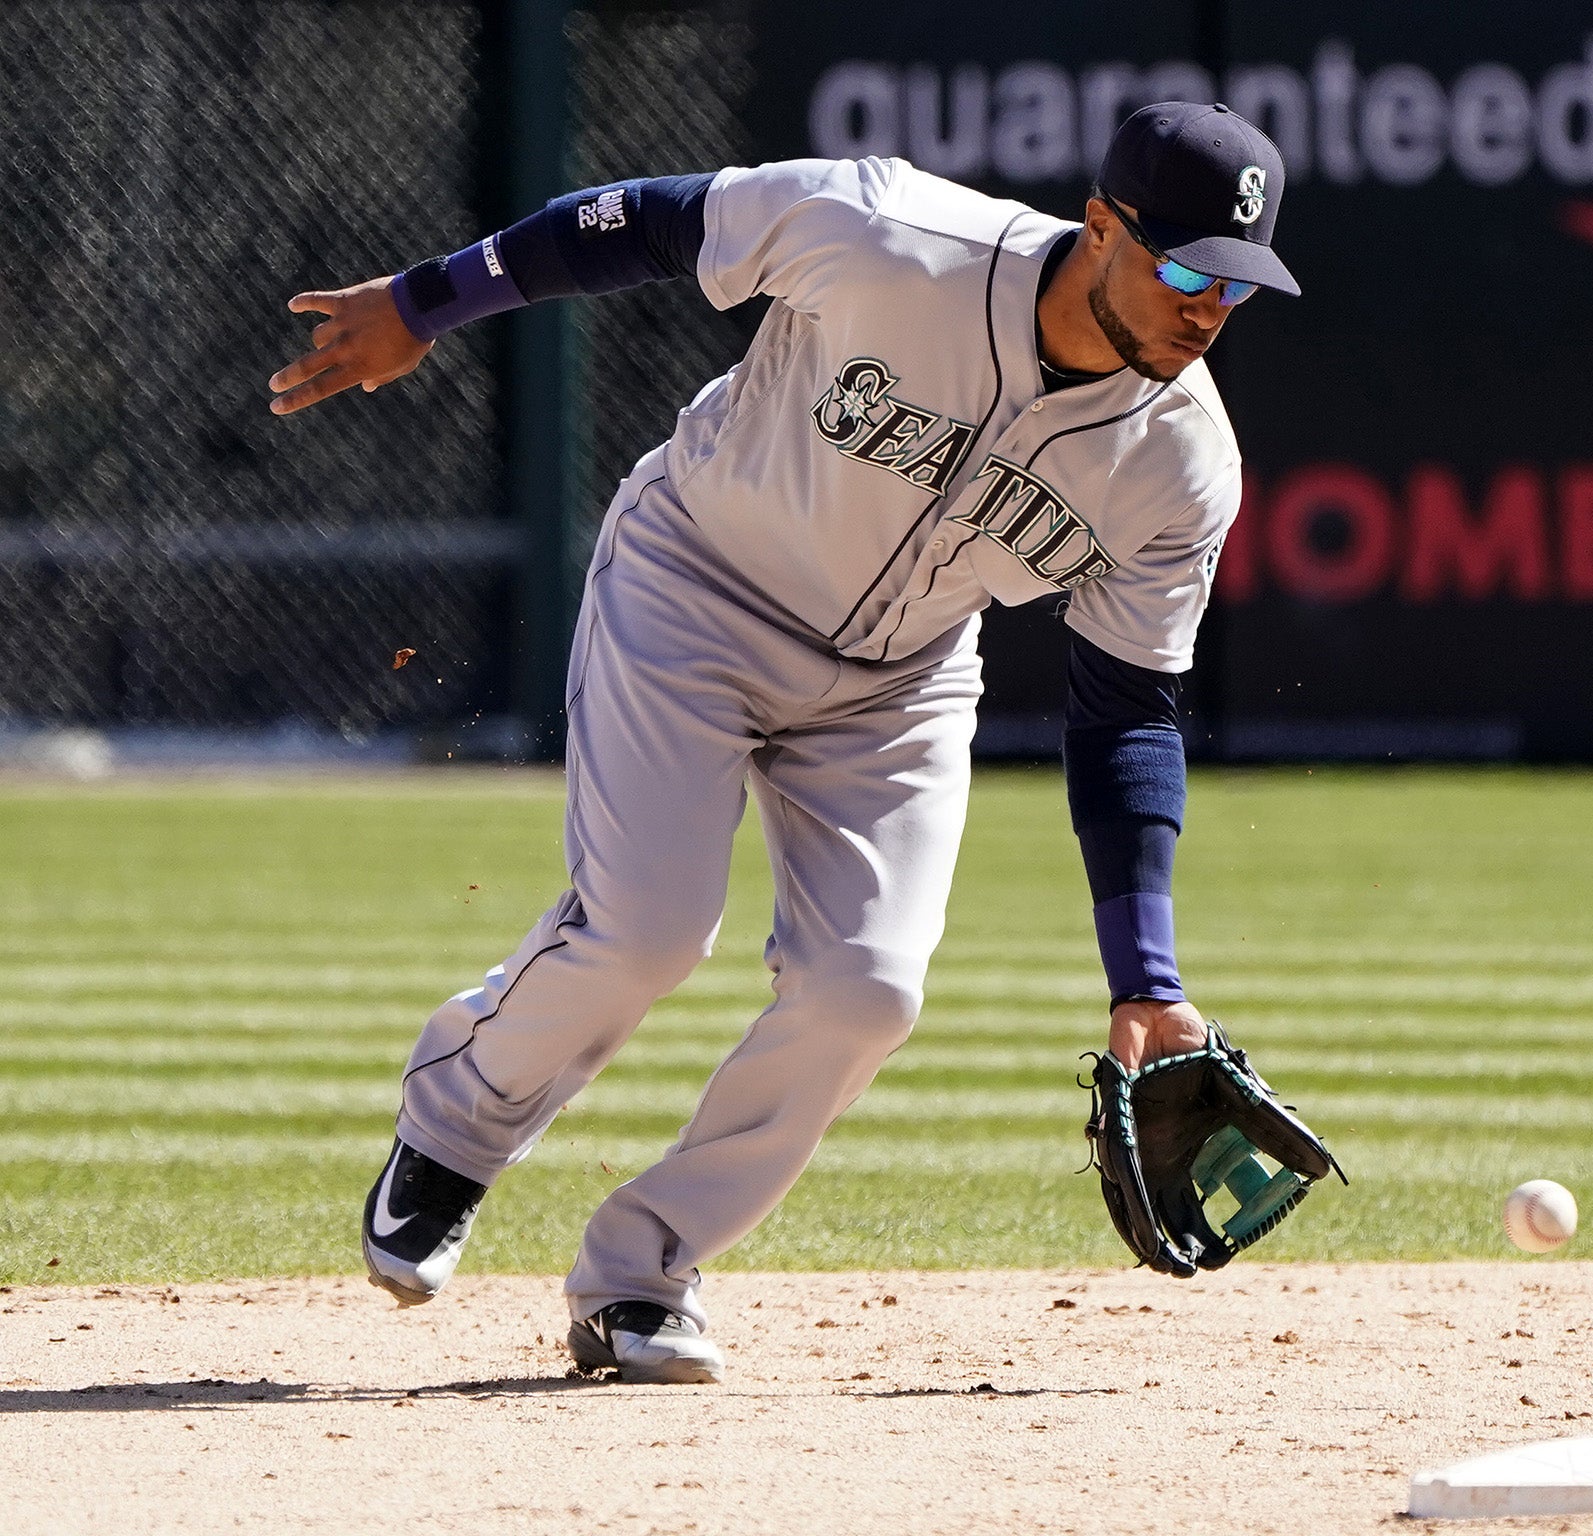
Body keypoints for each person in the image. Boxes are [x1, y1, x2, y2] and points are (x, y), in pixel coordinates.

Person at [268, 101, 1298, 1385]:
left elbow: (1126, 712)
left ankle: (640, 1272)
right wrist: (425, 304)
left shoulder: (1182, 462)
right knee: (647, 929)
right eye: (1187, 269)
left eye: (1238, 285)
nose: (1209, 309)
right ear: (1101, 229)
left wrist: (1145, 975)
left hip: (900, 685)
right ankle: (456, 1128)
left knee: (868, 993)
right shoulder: (892, 235)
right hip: (694, 589)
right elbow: (648, 221)